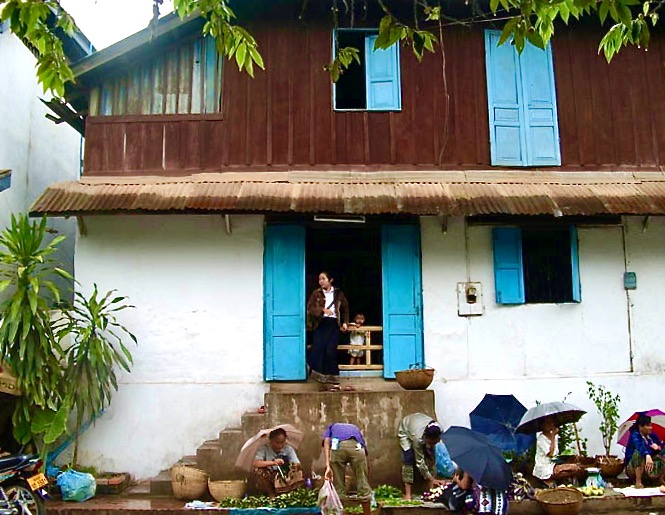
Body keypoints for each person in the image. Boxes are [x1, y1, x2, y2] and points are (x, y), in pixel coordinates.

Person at [306, 271, 349, 391]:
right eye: (319, 279)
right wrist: (322, 310)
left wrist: (345, 322)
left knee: (330, 350)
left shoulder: (338, 293)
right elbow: (310, 308)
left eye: (323, 279)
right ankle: (320, 376)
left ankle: (334, 376)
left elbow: (345, 308)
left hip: (334, 324)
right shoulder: (316, 294)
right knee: (318, 349)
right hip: (321, 323)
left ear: (330, 280)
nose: (321, 281)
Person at [323, 422, 372, 515]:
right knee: (363, 483)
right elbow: (364, 450)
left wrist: (328, 466)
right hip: (356, 447)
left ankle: (339, 512)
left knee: (338, 485)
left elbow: (326, 442)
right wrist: (365, 472)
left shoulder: (331, 427)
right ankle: (367, 513)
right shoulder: (355, 428)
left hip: (337, 446)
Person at [397, 412, 447, 499]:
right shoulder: (417, 438)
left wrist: (432, 477)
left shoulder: (440, 430)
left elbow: (432, 460)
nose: (431, 445)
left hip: (419, 422)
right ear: (425, 438)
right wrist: (432, 479)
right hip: (406, 431)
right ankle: (408, 494)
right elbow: (419, 462)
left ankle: (431, 490)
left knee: (431, 457)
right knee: (408, 459)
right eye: (430, 443)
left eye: (434, 443)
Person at [253, 428, 303, 496]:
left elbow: (297, 463)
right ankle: (271, 494)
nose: (280, 445)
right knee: (259, 472)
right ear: (271, 441)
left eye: (282, 442)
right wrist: (273, 463)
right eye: (277, 442)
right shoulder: (264, 449)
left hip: (285, 475)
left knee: (298, 472)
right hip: (270, 476)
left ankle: (291, 493)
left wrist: (294, 466)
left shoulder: (288, 449)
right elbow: (256, 463)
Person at [532, 417, 581, 485]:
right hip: (544, 467)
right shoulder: (541, 439)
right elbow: (551, 454)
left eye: (551, 423)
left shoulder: (554, 436)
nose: (550, 425)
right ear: (542, 425)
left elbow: (555, 453)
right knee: (573, 468)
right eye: (548, 423)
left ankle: (567, 483)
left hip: (552, 464)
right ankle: (550, 481)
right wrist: (553, 436)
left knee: (576, 465)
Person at [624, 413, 665, 488]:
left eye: (651, 425)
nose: (651, 428)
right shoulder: (635, 435)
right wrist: (647, 453)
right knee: (638, 452)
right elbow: (640, 447)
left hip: (648, 466)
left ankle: (660, 479)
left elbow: (660, 446)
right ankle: (638, 481)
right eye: (648, 425)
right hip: (633, 467)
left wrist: (659, 447)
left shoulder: (652, 436)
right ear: (640, 426)